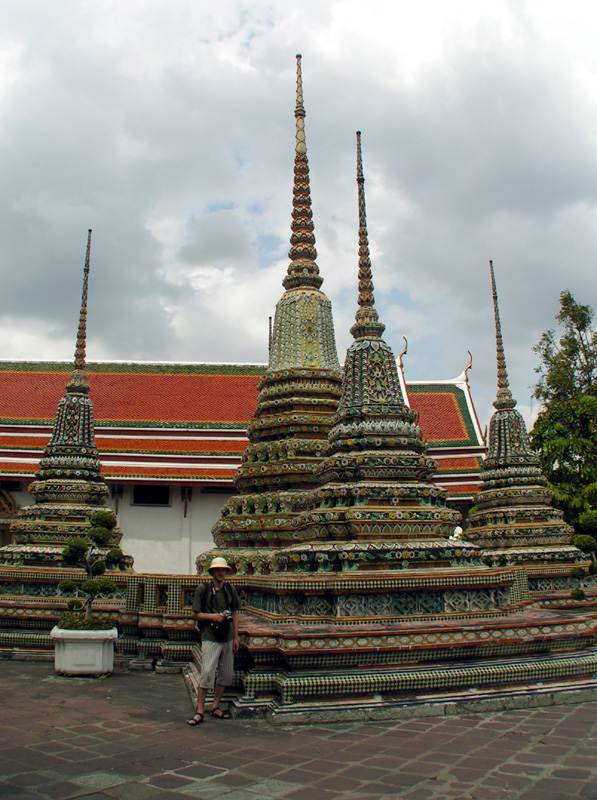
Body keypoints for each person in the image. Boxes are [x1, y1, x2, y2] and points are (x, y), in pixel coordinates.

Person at [187, 556, 240, 725]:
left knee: (226, 673)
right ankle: (200, 709)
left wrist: (236, 637)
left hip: (227, 636)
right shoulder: (203, 589)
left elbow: (235, 613)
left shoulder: (230, 590)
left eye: (223, 570)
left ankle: (215, 705)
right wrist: (213, 617)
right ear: (211, 572)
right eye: (217, 570)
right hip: (210, 635)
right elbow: (194, 614)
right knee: (208, 671)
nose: (221, 572)